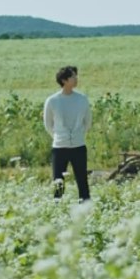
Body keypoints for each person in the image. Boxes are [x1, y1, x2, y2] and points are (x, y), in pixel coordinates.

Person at [43, 66, 92, 201]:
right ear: (64, 80)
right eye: (73, 77)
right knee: (58, 180)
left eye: (76, 76)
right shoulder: (52, 101)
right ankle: (57, 206)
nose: (76, 79)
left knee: (82, 180)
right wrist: (59, 137)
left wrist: (79, 135)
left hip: (79, 146)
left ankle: (86, 206)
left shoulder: (82, 99)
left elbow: (88, 122)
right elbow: (48, 124)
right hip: (59, 147)